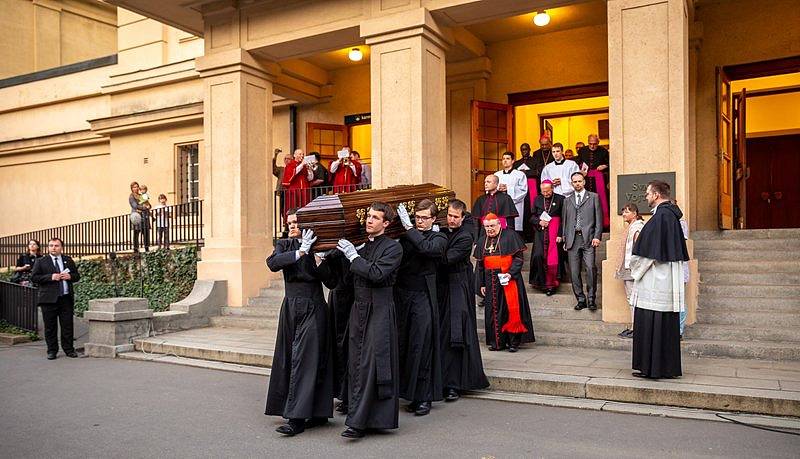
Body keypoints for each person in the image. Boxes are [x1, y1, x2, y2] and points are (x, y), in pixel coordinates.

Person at [335, 202, 403, 439]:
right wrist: (330, 257)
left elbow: (376, 274)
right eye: (369, 216)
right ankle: (359, 416)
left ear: (386, 223)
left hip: (380, 308)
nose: (369, 220)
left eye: (375, 218)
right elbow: (343, 280)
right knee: (356, 363)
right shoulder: (362, 248)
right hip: (359, 309)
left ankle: (360, 422)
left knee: (372, 364)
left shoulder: (393, 248)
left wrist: (353, 255)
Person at [265, 211, 333, 436]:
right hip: (291, 307)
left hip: (313, 306)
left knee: (307, 359)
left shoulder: (318, 246)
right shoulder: (284, 245)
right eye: (290, 223)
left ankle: (297, 418)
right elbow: (273, 263)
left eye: (296, 223)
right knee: (289, 356)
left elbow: (331, 281)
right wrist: (300, 251)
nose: (293, 226)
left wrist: (318, 258)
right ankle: (313, 411)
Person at [630, 180, 689, 379]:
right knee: (664, 323)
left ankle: (652, 368)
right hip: (666, 277)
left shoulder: (661, 217)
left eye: (647, 193)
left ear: (656, 195)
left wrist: (635, 269)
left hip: (656, 279)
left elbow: (648, 254)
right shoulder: (670, 215)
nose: (646, 197)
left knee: (652, 320)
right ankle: (665, 367)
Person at [394, 199, 447, 416]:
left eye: (425, 218)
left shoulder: (439, 237)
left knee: (422, 345)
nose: (420, 222)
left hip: (423, 295)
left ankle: (424, 396)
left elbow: (427, 249)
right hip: (403, 295)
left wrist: (408, 228)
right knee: (405, 344)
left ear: (434, 219)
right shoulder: (407, 236)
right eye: (417, 218)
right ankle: (409, 393)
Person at [437, 199, 489, 401]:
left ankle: (455, 383)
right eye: (449, 215)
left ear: (463, 217)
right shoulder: (442, 230)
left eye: (455, 217)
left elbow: (447, 258)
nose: (451, 220)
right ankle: (443, 380)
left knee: (456, 331)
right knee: (443, 332)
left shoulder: (466, 237)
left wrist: (431, 246)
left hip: (458, 286)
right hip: (443, 286)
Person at [475, 213, 535, 352]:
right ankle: (497, 342)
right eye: (487, 227)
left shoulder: (510, 236)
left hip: (508, 278)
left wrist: (510, 273)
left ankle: (513, 342)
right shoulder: (482, 240)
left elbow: (518, 258)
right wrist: (482, 283)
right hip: (490, 280)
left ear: (499, 224)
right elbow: (480, 265)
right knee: (494, 312)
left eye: (492, 226)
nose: (489, 229)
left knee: (510, 310)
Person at [30, 238, 81, 360]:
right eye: (51, 245)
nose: (53, 247)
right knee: (50, 327)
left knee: (67, 326)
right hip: (48, 300)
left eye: (56, 245)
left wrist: (70, 276)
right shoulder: (41, 261)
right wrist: (50, 277)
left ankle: (69, 349)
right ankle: (52, 350)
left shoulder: (68, 260)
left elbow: (76, 276)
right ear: (48, 247)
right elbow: (34, 277)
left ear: (61, 247)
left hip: (65, 299)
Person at [319, 249, 354, 415]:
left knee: (349, 347)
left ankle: (349, 394)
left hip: (353, 299)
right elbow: (330, 280)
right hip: (337, 298)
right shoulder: (334, 253)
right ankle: (341, 392)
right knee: (337, 347)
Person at [561, 172, 603, 312]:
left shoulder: (593, 197)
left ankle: (591, 298)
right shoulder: (567, 200)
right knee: (574, 272)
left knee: (590, 268)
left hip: (588, 239)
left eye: (579, 181)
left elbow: (599, 218)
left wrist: (597, 236)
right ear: (571, 183)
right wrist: (564, 238)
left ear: (584, 182)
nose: (577, 184)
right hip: (572, 239)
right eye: (575, 182)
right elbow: (565, 221)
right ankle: (580, 299)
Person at [529, 180, 565, 296]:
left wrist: (560, 234)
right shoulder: (537, 199)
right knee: (538, 255)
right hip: (541, 233)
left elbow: (564, 219)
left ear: (552, 188)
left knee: (552, 259)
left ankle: (551, 284)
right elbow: (532, 217)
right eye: (543, 191)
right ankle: (540, 282)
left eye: (548, 191)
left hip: (555, 232)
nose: (545, 193)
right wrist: (539, 222)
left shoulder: (561, 199)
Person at [614, 203, 645, 338]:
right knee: (631, 298)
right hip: (629, 267)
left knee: (633, 299)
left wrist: (635, 267)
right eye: (623, 212)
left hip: (632, 268)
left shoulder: (637, 227)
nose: (624, 214)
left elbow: (639, 248)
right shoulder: (632, 227)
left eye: (627, 212)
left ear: (634, 213)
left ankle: (636, 328)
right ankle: (634, 326)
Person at [577, 134, 611, 228]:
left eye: (594, 144)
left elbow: (610, 162)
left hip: (599, 181)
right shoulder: (582, 151)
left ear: (598, 142)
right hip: (586, 180)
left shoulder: (603, 151)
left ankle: (603, 224)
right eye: (590, 144)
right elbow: (578, 163)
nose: (592, 146)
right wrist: (581, 170)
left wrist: (605, 166)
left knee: (600, 202)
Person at [470, 174, 517, 239]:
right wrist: (476, 239)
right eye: (485, 182)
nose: (485, 184)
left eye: (488, 182)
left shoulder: (506, 198)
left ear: (496, 184)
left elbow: (510, 222)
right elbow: (476, 221)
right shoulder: (480, 199)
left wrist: (510, 238)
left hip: (501, 232)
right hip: (484, 232)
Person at [495, 151, 528, 238]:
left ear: (513, 161)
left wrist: (508, 189)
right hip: (500, 204)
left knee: (513, 227)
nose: (505, 161)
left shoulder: (520, 174)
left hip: (514, 204)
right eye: (503, 159)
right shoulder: (496, 175)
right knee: (500, 226)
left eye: (508, 159)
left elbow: (523, 190)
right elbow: (490, 188)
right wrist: (498, 188)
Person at [512, 143, 539, 241]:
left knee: (530, 210)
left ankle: (531, 235)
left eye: (526, 149)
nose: (524, 151)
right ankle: (521, 235)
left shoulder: (535, 161)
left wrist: (526, 173)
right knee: (521, 211)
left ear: (529, 149)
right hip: (520, 189)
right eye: (522, 150)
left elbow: (538, 172)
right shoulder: (517, 163)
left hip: (531, 188)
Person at [281, 148, 313, 219]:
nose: (302, 156)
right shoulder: (290, 165)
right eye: (300, 154)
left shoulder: (304, 166)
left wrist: (309, 169)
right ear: (295, 155)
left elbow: (310, 178)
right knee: (293, 208)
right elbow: (294, 173)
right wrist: (302, 164)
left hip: (304, 191)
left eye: (303, 154)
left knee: (305, 207)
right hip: (294, 191)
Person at [129, 181, 150, 253]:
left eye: (137, 186)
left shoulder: (141, 195)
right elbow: (135, 206)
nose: (136, 188)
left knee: (146, 232)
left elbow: (148, 204)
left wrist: (148, 206)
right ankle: (136, 249)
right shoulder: (131, 196)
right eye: (134, 187)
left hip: (144, 216)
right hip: (136, 216)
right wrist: (145, 208)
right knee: (136, 232)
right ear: (132, 188)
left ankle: (147, 248)